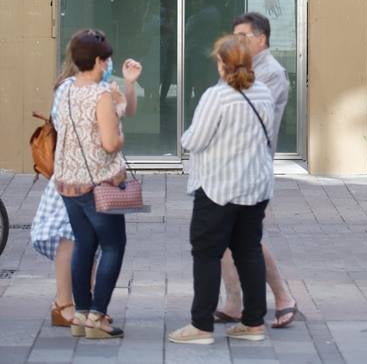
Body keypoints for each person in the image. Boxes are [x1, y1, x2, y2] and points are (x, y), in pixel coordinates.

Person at [168, 34, 274, 346]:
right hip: (255, 186)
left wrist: (187, 137)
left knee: (206, 254)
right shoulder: (264, 93)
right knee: (249, 251)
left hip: (218, 188)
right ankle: (254, 322)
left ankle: (201, 326)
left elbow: (193, 140)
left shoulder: (217, 96)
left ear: (222, 65)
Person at [31, 41, 141, 329]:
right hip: (97, 182)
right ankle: (95, 313)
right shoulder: (100, 94)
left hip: (70, 182)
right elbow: (109, 143)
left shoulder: (67, 90)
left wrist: (127, 87)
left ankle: (81, 312)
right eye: (106, 60)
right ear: (96, 60)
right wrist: (119, 138)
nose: (108, 65)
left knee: (84, 244)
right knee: (113, 245)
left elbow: (123, 110)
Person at [217, 12, 297, 329]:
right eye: (234, 36)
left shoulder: (271, 73)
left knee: (246, 239)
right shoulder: (238, 67)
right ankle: (234, 302)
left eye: (243, 36)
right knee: (225, 236)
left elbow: (242, 111)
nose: (237, 41)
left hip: (251, 166)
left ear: (261, 39)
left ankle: (282, 296)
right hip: (228, 164)